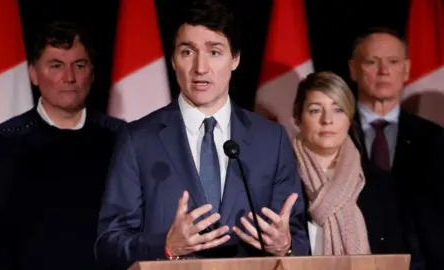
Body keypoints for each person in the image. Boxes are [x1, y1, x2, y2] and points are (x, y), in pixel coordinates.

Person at [95, 0, 309, 268]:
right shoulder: (138, 140)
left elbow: (299, 241)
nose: (200, 68)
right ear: (173, 60)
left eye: (215, 52)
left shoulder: (271, 140)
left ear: (235, 59)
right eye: (187, 52)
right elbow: (108, 245)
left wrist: (285, 246)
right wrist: (166, 245)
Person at [0, 21, 126, 270]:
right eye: (56, 66)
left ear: (92, 74)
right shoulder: (2, 144)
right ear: (33, 73)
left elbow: (140, 227)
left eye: (79, 66)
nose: (69, 77)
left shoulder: (123, 139)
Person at [292, 71, 417, 259]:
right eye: (315, 110)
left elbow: (408, 257)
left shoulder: (382, 185)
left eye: (338, 109)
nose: (327, 120)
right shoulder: (280, 180)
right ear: (298, 118)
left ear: (350, 118)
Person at [348, 27, 444, 269]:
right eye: (372, 61)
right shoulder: (334, 135)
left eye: (393, 61)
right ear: (353, 69)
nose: (384, 71)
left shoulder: (435, 138)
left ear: (407, 69)